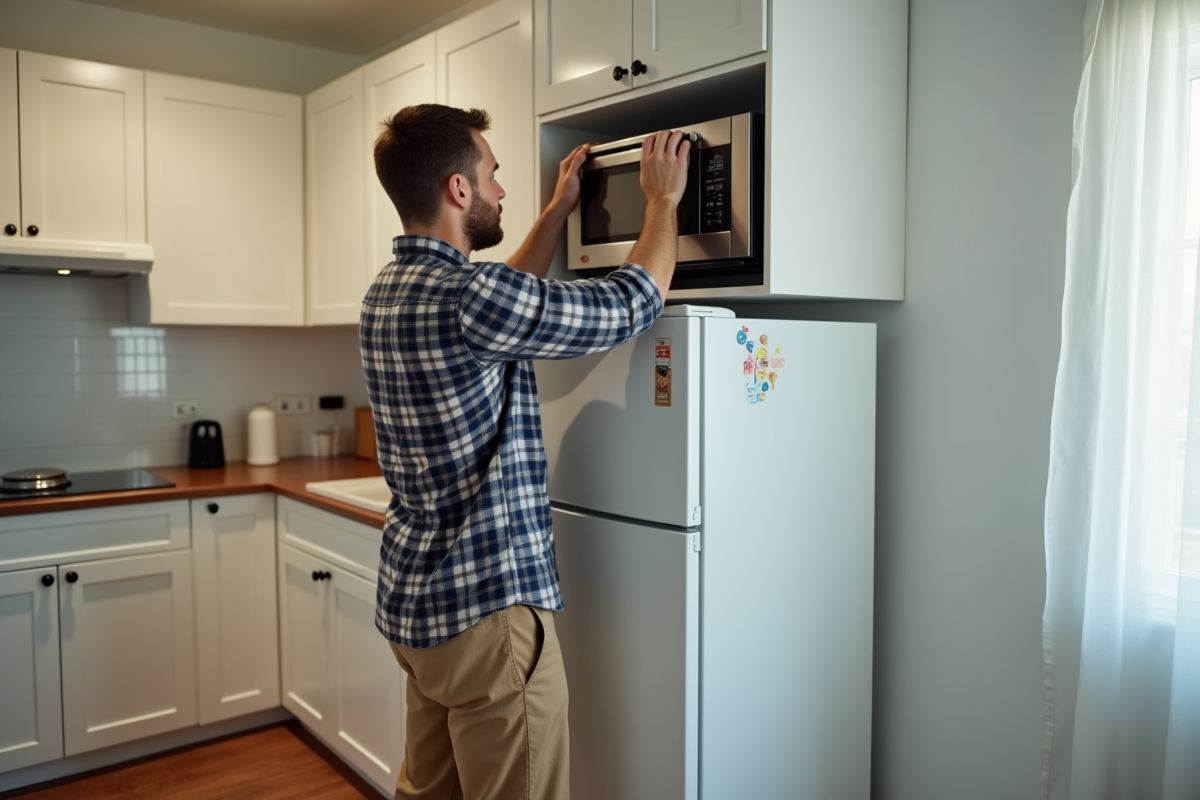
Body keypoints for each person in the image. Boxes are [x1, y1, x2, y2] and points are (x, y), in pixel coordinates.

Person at [360, 103, 691, 800]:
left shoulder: (389, 292)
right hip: (489, 618)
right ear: (459, 189)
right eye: (494, 173)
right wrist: (661, 200)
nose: (503, 190)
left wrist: (557, 212)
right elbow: (635, 301)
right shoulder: (469, 298)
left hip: (419, 614)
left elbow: (505, 295)